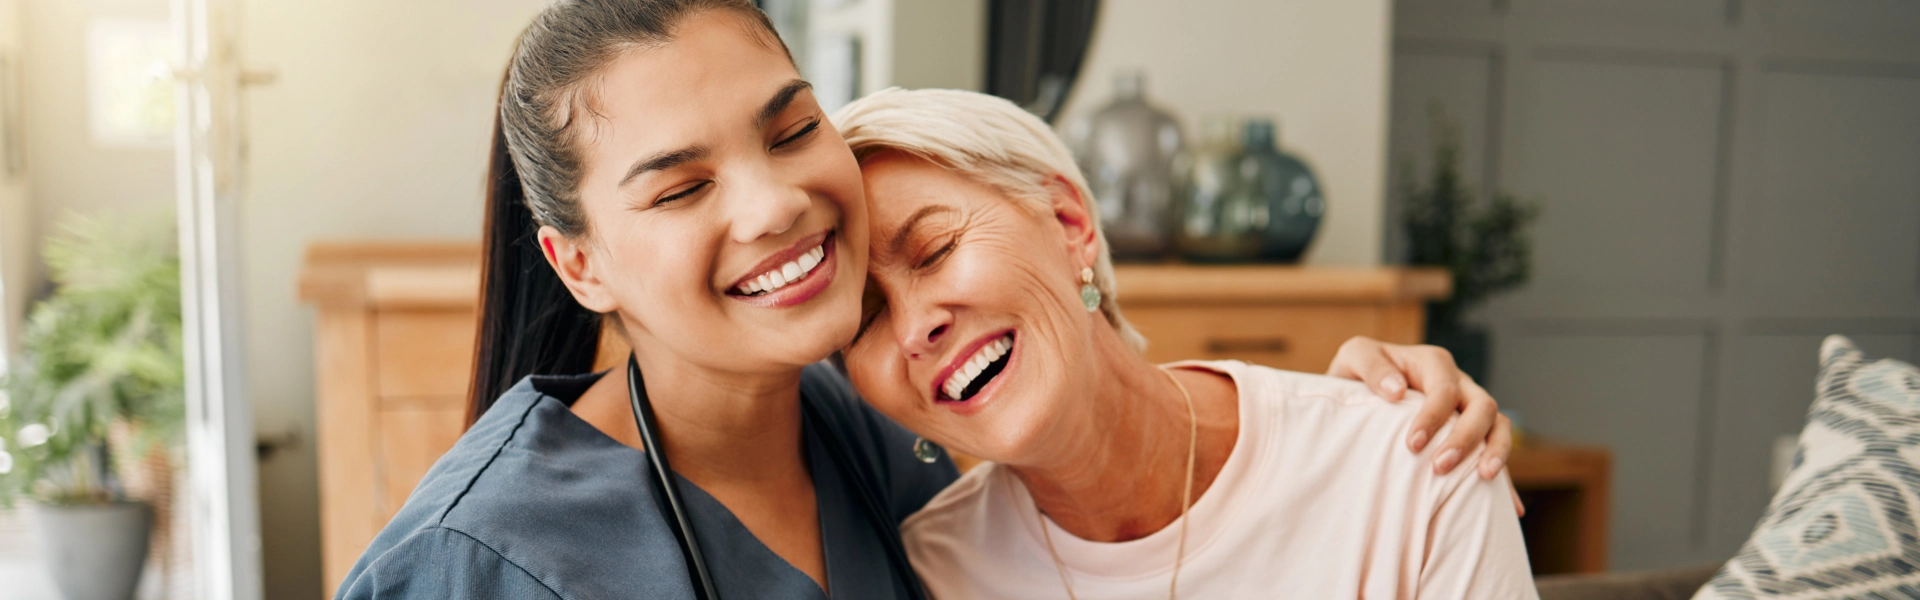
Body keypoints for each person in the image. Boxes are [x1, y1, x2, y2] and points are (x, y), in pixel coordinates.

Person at [335, 1, 1512, 597]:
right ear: (580, 262)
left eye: (790, 129)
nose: (775, 206)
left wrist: (1357, 407)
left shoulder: (880, 435)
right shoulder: (484, 558)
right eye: (683, 186)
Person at [836, 88, 1538, 599]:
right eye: (862, 320)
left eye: (934, 249)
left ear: (1068, 221)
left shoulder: (1413, 465)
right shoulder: (927, 575)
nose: (913, 326)